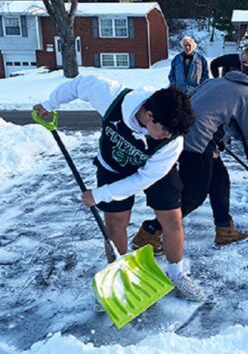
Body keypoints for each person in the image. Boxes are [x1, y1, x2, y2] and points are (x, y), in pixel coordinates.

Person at [32, 75, 206, 301]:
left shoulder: (171, 142)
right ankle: (119, 275)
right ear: (149, 115)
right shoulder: (113, 97)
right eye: (165, 130)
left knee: (172, 219)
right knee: (114, 222)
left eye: (172, 133)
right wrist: (48, 104)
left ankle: (177, 274)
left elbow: (142, 180)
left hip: (153, 171)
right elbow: (80, 84)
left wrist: (99, 194)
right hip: (113, 166)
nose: (167, 136)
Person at [131, 55, 248, 251]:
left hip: (183, 137)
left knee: (220, 180)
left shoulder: (217, 81)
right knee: (193, 196)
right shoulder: (247, 95)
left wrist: (216, 134)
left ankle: (225, 230)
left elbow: (191, 100)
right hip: (197, 145)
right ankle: (150, 231)